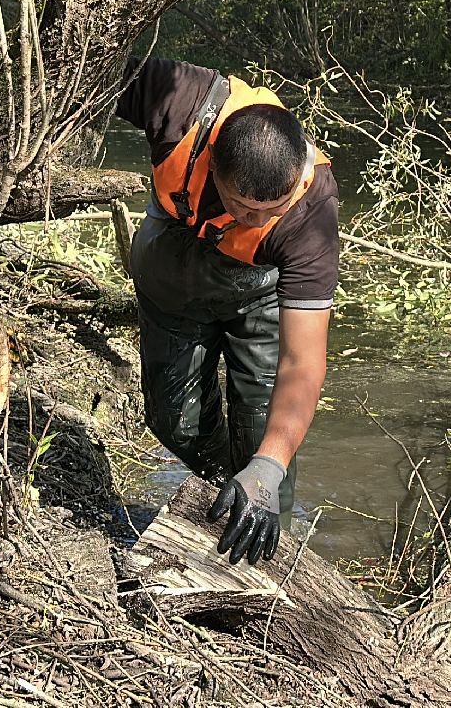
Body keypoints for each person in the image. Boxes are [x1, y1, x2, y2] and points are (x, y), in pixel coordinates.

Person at [114, 58, 339, 565]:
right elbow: (77, 71)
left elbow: (302, 362)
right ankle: (222, 495)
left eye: (271, 210)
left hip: (259, 292)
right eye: (243, 206)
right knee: (176, 424)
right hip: (170, 277)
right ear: (215, 164)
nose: (256, 219)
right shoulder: (177, 101)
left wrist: (267, 465)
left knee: (264, 440)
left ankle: (272, 565)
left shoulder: (311, 215)